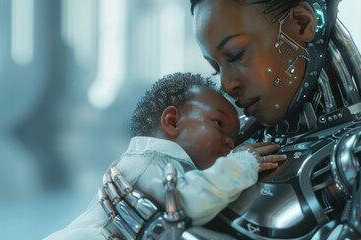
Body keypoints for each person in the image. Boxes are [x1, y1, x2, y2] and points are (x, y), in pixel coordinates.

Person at [96, 0, 361, 239]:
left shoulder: (352, 157)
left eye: (235, 54)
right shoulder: (235, 137)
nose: (226, 84)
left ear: (302, 23)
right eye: (216, 68)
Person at [44, 72, 286, 240]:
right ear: (172, 121)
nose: (231, 142)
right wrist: (243, 163)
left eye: (234, 137)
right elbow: (189, 202)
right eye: (218, 124)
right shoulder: (152, 163)